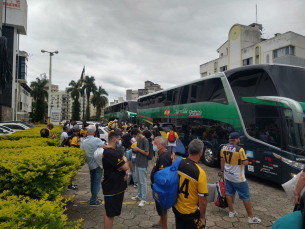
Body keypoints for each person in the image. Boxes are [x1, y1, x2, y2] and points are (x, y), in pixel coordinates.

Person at [220, 132, 261, 224]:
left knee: (228, 193)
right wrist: (247, 159)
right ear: (235, 140)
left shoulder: (223, 147)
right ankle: (250, 217)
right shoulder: (240, 149)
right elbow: (245, 163)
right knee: (245, 196)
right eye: (239, 139)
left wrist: (222, 171)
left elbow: (222, 160)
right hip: (238, 178)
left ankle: (231, 212)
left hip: (227, 175)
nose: (239, 140)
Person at [173, 139, 208, 229]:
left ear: (188, 150)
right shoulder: (200, 172)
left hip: (177, 208)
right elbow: (203, 200)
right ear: (200, 153)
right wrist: (202, 217)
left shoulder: (179, 162)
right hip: (191, 214)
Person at [102, 131, 129, 229]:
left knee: (108, 210)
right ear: (114, 140)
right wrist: (124, 160)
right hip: (113, 187)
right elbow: (125, 167)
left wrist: (121, 164)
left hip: (112, 185)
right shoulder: (112, 153)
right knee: (111, 213)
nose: (119, 141)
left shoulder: (109, 151)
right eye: (118, 139)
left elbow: (120, 166)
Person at [150, 136, 172, 229]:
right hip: (158, 187)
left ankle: (164, 226)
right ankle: (160, 222)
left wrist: (157, 187)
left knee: (162, 208)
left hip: (161, 188)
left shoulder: (164, 156)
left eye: (155, 143)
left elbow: (161, 175)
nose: (153, 145)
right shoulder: (162, 153)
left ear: (161, 145)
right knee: (159, 207)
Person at [82, 125, 105, 206]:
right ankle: (93, 201)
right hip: (98, 165)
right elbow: (105, 146)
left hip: (90, 165)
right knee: (97, 183)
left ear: (87, 132)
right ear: (95, 132)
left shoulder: (83, 141)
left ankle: (94, 197)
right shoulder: (96, 140)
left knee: (93, 182)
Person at [130, 128, 149, 207]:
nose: (135, 138)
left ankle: (143, 199)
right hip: (137, 162)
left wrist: (138, 149)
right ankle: (139, 195)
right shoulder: (139, 141)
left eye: (135, 136)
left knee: (143, 182)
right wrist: (135, 150)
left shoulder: (145, 140)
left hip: (142, 164)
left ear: (138, 134)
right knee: (138, 180)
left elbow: (147, 153)